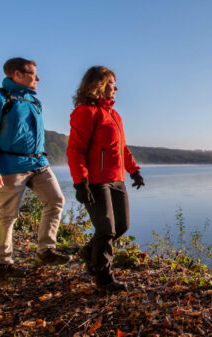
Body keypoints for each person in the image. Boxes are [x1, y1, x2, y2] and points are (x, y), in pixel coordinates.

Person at [0, 57, 72, 279]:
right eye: (33, 74)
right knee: (8, 215)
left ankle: (45, 251)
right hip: (10, 166)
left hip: (38, 163)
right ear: (17, 74)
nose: (38, 78)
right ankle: (3, 264)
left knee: (56, 200)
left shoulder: (34, 101)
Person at [67, 66, 144, 291]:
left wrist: (134, 171)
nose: (116, 88)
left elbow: (121, 148)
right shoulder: (85, 112)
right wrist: (81, 182)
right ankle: (103, 278)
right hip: (96, 181)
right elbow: (75, 151)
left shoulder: (114, 114)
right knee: (106, 229)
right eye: (112, 83)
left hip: (116, 179)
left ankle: (88, 252)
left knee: (121, 225)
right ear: (98, 84)